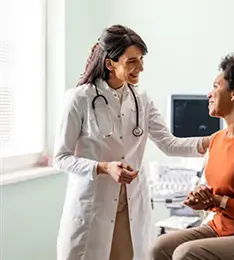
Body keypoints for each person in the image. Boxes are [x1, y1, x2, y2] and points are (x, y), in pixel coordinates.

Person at [53, 24, 211, 260]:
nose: (141, 67)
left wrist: (215, 141)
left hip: (131, 206)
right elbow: (61, 158)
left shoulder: (141, 100)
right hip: (93, 205)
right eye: (132, 61)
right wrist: (104, 167)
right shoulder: (79, 99)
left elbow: (169, 144)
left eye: (141, 59)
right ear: (110, 63)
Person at [151, 52, 234, 260]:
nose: (209, 94)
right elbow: (221, 193)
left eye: (215, 86)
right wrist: (204, 199)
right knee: (160, 247)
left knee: (184, 254)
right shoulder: (216, 140)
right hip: (222, 228)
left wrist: (219, 201)